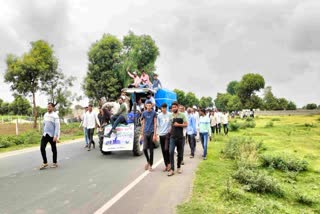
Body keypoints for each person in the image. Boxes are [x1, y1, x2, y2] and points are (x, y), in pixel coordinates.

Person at [168, 102, 188, 176]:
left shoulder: (182, 115)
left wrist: (178, 124)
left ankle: (179, 167)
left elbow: (186, 124)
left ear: (177, 107)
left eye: (175, 107)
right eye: (172, 107)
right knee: (171, 152)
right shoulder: (170, 116)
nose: (173, 108)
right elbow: (171, 124)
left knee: (180, 154)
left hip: (180, 137)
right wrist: (170, 129)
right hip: (172, 137)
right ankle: (172, 169)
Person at [39, 102, 60, 170]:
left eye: (49, 107)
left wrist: (56, 136)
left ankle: (55, 163)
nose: (48, 108)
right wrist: (42, 132)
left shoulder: (55, 116)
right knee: (42, 147)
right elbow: (44, 124)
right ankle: (45, 162)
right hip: (45, 134)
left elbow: (57, 127)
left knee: (53, 149)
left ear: (53, 108)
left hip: (52, 135)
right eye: (47, 106)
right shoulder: (45, 114)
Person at [141, 101, 157, 171]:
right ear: (145, 106)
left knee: (151, 150)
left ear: (152, 106)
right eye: (147, 105)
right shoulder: (144, 113)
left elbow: (155, 123)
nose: (148, 106)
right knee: (144, 149)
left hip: (151, 132)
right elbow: (143, 123)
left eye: (150, 105)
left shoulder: (154, 113)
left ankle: (151, 165)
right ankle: (148, 161)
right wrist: (142, 134)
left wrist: (155, 134)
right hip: (145, 132)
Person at [157, 103, 171, 172]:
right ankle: (166, 165)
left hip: (167, 135)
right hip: (161, 135)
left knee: (166, 150)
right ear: (161, 108)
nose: (164, 109)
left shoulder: (169, 114)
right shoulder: (159, 116)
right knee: (163, 151)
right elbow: (158, 125)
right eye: (162, 108)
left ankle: (169, 164)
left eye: (165, 108)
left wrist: (170, 130)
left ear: (166, 108)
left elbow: (171, 123)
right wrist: (157, 134)